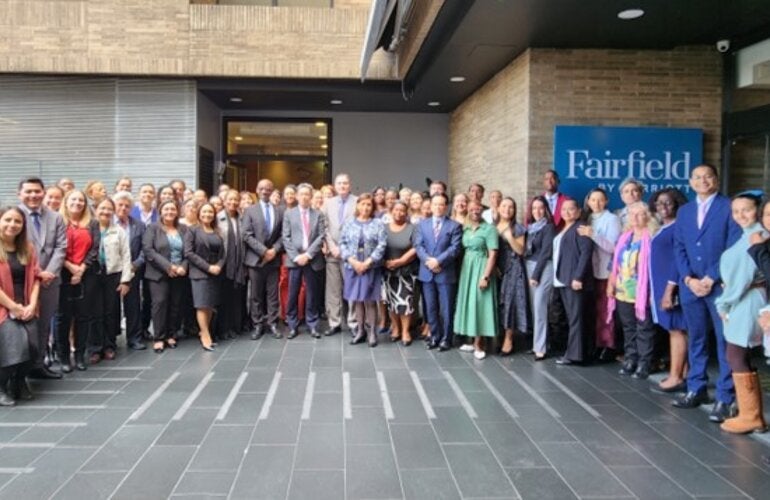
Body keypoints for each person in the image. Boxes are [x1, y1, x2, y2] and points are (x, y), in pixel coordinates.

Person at [673, 164, 741, 423]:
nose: (703, 181)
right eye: (697, 177)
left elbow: (732, 247)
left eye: (708, 176)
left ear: (716, 179)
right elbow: (679, 247)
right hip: (691, 287)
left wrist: (711, 277)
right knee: (697, 339)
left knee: (725, 343)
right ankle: (696, 387)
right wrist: (689, 279)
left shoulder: (728, 207)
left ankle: (725, 397)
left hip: (719, 286)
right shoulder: (685, 211)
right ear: (691, 182)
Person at [716, 194, 768, 433]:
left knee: (736, 353)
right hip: (744, 299)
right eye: (736, 211)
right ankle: (752, 413)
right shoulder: (745, 236)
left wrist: (723, 304)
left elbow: (740, 281)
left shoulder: (756, 237)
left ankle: (751, 416)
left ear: (757, 210)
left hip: (746, 301)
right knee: (740, 355)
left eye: (746, 210)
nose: (740, 215)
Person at [17, 177, 66, 379]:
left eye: (37, 191)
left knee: (44, 324)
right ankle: (20, 369)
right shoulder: (14, 216)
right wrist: (37, 272)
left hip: (49, 282)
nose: (33, 195)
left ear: (43, 192)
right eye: (28, 191)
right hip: (22, 281)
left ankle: (39, 364)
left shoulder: (55, 217)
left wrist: (50, 273)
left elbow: (61, 247)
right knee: (21, 326)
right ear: (19, 194)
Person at [607, 202, 658, 379]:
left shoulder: (652, 236)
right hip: (623, 290)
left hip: (644, 291)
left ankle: (645, 362)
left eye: (640, 214)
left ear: (648, 216)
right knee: (628, 327)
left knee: (644, 327)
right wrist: (611, 284)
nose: (635, 218)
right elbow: (615, 264)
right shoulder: (625, 237)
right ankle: (631, 359)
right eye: (632, 214)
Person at [648, 188, 689, 392]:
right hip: (661, 285)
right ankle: (685, 373)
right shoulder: (663, 228)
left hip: (671, 287)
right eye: (659, 203)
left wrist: (669, 290)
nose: (662, 207)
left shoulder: (678, 228)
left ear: (677, 204)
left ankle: (675, 376)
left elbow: (677, 261)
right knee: (675, 329)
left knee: (677, 330)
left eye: (668, 203)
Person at [56, 189, 101, 372]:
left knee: (83, 316)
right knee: (63, 318)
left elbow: (95, 249)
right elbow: (55, 247)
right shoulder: (58, 222)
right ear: (66, 202)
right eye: (73, 199)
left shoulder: (92, 223)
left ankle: (80, 355)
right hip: (62, 273)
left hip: (86, 274)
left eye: (81, 200)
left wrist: (81, 268)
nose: (77, 203)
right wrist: (69, 266)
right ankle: (64, 357)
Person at [0, 206, 41, 405]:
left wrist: (32, 304)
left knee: (33, 346)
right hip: (3, 307)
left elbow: (35, 278)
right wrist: (12, 307)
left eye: (17, 221)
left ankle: (18, 381)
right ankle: (1, 384)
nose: (12, 225)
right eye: (8, 220)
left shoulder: (28, 248)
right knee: (16, 344)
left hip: (25, 305)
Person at [414, 193, 463, 351]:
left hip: (445, 272)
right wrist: (429, 261)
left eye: (441, 204)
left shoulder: (454, 226)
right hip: (427, 272)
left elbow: (455, 248)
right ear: (431, 205)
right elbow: (418, 246)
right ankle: (434, 336)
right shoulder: (422, 224)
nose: (438, 207)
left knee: (447, 308)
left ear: (446, 206)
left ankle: (446, 339)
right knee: (430, 307)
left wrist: (438, 261)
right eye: (435, 204)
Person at [579, 188, 622, 360]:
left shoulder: (611, 219)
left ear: (606, 201)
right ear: (588, 202)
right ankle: (597, 343)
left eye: (600, 200)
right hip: (591, 271)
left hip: (606, 270)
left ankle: (608, 346)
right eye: (593, 200)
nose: (596, 203)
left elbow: (614, 247)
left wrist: (593, 235)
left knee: (607, 311)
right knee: (594, 311)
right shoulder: (587, 218)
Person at [340, 193, 387, 347]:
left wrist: (367, 262)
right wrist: (353, 261)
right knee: (357, 300)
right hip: (353, 267)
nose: (365, 207)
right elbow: (342, 243)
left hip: (370, 267)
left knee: (370, 300)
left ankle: (372, 331)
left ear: (372, 207)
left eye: (369, 204)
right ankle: (360, 331)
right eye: (363, 204)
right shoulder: (349, 223)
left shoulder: (378, 223)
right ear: (358, 206)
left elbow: (382, 244)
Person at [89, 198, 132, 363]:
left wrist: (126, 280)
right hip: (92, 275)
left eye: (109, 209)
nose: (105, 212)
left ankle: (109, 346)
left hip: (113, 274)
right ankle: (94, 347)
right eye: (102, 208)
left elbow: (126, 255)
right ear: (95, 209)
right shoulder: (89, 228)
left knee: (111, 311)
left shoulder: (118, 231)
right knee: (94, 312)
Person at [454, 199, 499, 360]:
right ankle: (472, 340)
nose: (475, 211)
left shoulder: (489, 229)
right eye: (472, 208)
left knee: (480, 303)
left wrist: (485, 276)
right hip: (467, 268)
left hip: (481, 267)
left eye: (478, 208)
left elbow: (493, 254)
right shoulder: (465, 229)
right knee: (469, 303)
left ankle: (480, 343)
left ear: (482, 210)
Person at [143, 200, 188, 353]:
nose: (170, 212)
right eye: (166, 209)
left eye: (173, 209)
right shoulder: (152, 228)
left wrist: (183, 266)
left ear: (177, 211)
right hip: (158, 273)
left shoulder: (183, 229)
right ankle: (159, 338)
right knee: (160, 304)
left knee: (175, 304)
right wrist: (168, 266)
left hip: (179, 273)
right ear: (161, 212)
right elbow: (149, 251)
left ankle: (171, 334)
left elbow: (189, 251)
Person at [282, 183, 327, 339]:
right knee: (292, 293)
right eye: (301, 194)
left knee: (312, 293)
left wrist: (307, 255)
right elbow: (285, 237)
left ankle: (313, 324)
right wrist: (296, 257)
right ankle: (292, 325)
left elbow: (322, 236)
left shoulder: (318, 214)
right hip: (294, 261)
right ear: (297, 196)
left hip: (312, 259)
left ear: (311, 196)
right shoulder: (289, 214)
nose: (304, 197)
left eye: (307, 194)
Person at [553, 199, 594, 365]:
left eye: (571, 209)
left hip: (574, 280)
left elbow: (586, 252)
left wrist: (578, 277)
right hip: (563, 279)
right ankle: (574, 352)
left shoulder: (580, 227)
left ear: (578, 212)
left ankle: (575, 355)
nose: (567, 212)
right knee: (572, 318)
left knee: (576, 318)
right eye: (564, 209)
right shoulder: (564, 228)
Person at [243, 179, 284, 340]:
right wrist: (263, 251)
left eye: (268, 189)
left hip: (273, 259)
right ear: (257, 190)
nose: (265, 191)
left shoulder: (279, 210)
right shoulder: (250, 211)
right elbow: (246, 234)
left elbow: (282, 234)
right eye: (262, 189)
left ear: (272, 190)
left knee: (273, 294)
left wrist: (274, 250)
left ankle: (273, 323)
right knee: (256, 295)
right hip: (255, 259)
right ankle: (258, 324)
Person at [321, 173, 358, 336]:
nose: (342, 186)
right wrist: (332, 246)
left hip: (350, 255)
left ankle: (353, 322)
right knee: (333, 290)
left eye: (345, 183)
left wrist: (344, 249)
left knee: (351, 288)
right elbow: (324, 227)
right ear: (335, 186)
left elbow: (359, 227)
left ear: (350, 185)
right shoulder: (328, 203)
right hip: (332, 254)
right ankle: (334, 322)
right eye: (339, 183)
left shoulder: (357, 202)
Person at [185, 203, 224, 351]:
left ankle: (205, 331)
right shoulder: (192, 231)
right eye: (204, 211)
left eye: (210, 212)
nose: (207, 214)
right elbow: (189, 253)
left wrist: (219, 265)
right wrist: (208, 267)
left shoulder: (216, 231)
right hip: (200, 273)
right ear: (199, 213)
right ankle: (205, 336)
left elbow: (223, 253)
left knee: (210, 305)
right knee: (202, 304)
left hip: (215, 273)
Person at [113, 191, 146, 351]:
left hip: (132, 270)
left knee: (133, 306)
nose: (123, 208)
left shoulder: (139, 225)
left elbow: (145, 249)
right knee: (111, 307)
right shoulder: (106, 223)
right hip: (111, 272)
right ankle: (110, 340)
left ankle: (134, 338)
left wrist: (136, 264)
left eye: (127, 206)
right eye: (120, 205)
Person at [525, 196, 556, 361]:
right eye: (534, 208)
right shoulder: (530, 228)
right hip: (529, 266)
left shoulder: (549, 227)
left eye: (541, 208)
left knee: (540, 307)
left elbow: (545, 252)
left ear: (546, 210)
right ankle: (538, 343)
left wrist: (536, 275)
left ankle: (541, 348)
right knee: (534, 308)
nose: (537, 211)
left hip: (543, 269)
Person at [383, 201, 418, 346]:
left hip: (406, 271)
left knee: (405, 302)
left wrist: (401, 261)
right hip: (387, 270)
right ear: (392, 211)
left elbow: (417, 247)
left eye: (402, 210)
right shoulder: (383, 228)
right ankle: (395, 328)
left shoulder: (413, 228)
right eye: (396, 210)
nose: (399, 212)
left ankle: (405, 331)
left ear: (406, 212)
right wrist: (385, 262)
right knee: (391, 302)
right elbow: (378, 245)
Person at [496, 197, 527, 356]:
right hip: (495, 268)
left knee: (510, 303)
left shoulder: (518, 228)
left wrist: (509, 236)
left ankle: (508, 339)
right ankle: (497, 335)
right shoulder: (492, 227)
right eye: (504, 206)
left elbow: (520, 251)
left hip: (513, 268)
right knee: (497, 303)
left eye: (511, 207)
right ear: (498, 208)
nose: (507, 209)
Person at [216, 190, 246, 340]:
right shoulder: (217, 218)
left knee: (237, 296)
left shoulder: (242, 218)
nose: (233, 202)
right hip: (224, 263)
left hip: (239, 264)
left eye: (236, 200)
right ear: (224, 200)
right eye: (230, 199)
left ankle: (236, 326)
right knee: (224, 297)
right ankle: (224, 328)